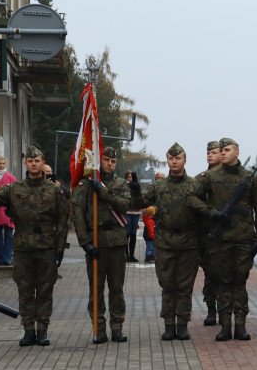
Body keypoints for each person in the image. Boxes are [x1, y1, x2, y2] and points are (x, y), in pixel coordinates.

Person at [0, 145, 70, 346]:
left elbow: (63, 220)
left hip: (46, 247)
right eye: (30, 161)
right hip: (22, 248)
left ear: (43, 162)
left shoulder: (54, 190)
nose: (34, 164)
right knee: (25, 289)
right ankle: (28, 330)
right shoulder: (14, 188)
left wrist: (60, 248)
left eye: (37, 161)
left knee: (45, 290)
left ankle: (43, 330)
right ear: (25, 164)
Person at [191, 138, 257, 341]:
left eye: (227, 150)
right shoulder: (209, 176)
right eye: (221, 150)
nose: (222, 153)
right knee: (223, 283)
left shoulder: (249, 178)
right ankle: (225, 325)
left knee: (240, 282)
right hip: (219, 240)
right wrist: (213, 214)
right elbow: (192, 199)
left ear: (237, 153)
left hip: (243, 240)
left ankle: (240, 326)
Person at [71, 146, 142, 343]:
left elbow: (125, 205)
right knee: (96, 290)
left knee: (117, 289)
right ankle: (99, 328)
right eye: (106, 160)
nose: (109, 164)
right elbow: (78, 215)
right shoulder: (86, 185)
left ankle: (117, 327)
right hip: (96, 245)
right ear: (98, 161)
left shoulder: (120, 183)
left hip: (118, 244)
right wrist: (85, 243)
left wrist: (103, 191)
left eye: (113, 162)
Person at [132, 144, 202, 340]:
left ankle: (182, 325)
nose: (174, 162)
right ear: (167, 160)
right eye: (171, 158)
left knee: (185, 286)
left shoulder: (194, 185)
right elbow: (140, 204)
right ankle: (169, 324)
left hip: (188, 242)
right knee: (167, 284)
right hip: (165, 242)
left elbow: (203, 211)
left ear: (184, 161)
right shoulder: (158, 187)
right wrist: (136, 191)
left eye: (178, 158)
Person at [197, 141, 223, 326]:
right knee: (210, 275)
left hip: (228, 235)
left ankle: (225, 310)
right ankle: (211, 310)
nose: (210, 156)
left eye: (214, 152)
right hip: (207, 234)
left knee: (227, 276)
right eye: (208, 153)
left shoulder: (230, 178)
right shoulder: (201, 178)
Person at [123, 171, 142, 263]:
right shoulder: (124, 186)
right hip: (127, 212)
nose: (131, 179)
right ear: (126, 178)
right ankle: (125, 254)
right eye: (129, 177)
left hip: (136, 212)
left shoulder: (137, 185)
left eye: (132, 177)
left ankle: (132, 255)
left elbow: (140, 197)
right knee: (127, 233)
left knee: (133, 234)